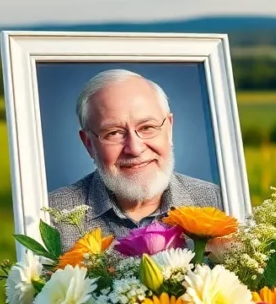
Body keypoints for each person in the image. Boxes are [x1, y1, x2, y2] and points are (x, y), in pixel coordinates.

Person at [47, 68, 222, 250]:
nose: (135, 149)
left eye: (147, 127)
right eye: (114, 133)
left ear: (169, 129)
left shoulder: (219, 203)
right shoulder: (51, 219)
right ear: (89, 144)